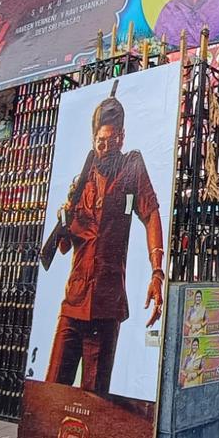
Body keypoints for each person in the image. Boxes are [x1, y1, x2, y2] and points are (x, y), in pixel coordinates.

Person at [42, 82, 165, 393]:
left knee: (95, 398)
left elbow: (151, 213)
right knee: (52, 390)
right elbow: (66, 245)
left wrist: (157, 272)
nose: (105, 147)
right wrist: (65, 218)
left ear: (121, 137)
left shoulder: (131, 167)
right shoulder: (80, 182)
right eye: (100, 141)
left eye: (111, 141)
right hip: (74, 301)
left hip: (106, 305)